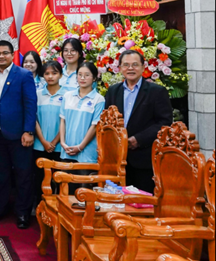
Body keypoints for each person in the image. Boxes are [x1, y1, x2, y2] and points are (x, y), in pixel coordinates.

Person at [0, 40, 37, 229]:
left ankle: (23, 213)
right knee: (0, 176)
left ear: (12, 54)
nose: (1, 56)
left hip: (19, 135)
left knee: (23, 175)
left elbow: (30, 104)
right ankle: (0, 209)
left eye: (5, 53)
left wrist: (28, 131)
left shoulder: (23, 75)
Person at [104, 50, 172, 194]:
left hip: (144, 159)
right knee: (118, 201)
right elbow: (106, 121)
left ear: (143, 67)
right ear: (120, 68)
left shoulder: (157, 92)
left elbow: (164, 122)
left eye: (135, 65)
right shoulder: (113, 91)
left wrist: (138, 140)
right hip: (117, 159)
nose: (130, 68)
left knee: (143, 202)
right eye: (126, 65)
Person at [59, 61, 105, 192]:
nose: (82, 78)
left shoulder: (98, 99)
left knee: (83, 192)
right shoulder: (68, 96)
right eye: (80, 75)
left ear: (94, 78)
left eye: (87, 75)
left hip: (86, 154)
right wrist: (63, 143)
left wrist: (80, 146)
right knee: (66, 190)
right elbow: (62, 121)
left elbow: (95, 126)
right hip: (67, 151)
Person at [33, 61, 67, 206]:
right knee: (39, 179)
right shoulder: (37, 94)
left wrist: (54, 142)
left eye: (54, 73)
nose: (50, 76)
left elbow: (66, 120)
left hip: (59, 146)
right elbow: (34, 119)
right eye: (47, 73)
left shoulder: (68, 95)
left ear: (61, 75)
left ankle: (58, 210)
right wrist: (43, 141)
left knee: (59, 180)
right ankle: (40, 208)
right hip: (39, 145)